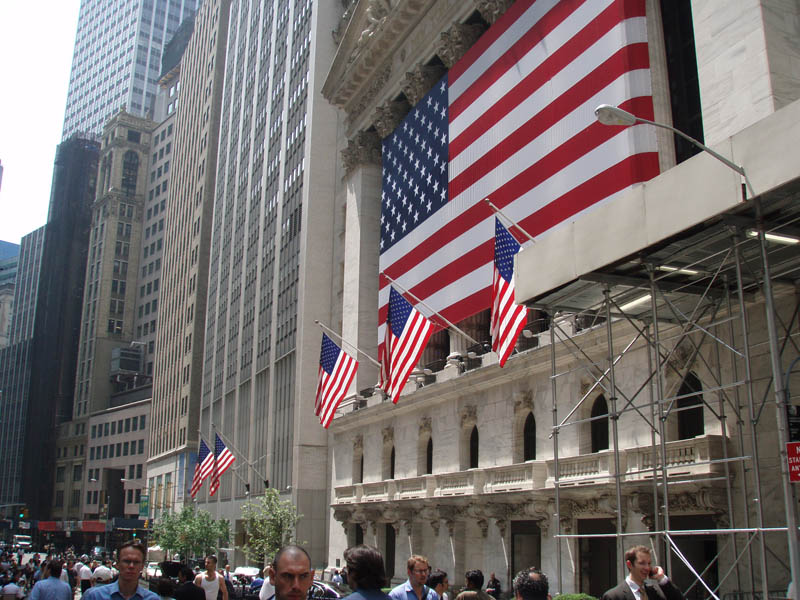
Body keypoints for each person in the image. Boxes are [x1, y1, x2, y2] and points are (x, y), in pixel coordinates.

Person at [82, 541, 158, 600]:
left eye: (136, 562)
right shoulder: (94, 596)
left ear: (142, 566)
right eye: (127, 561)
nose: (131, 566)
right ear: (117, 564)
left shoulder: (152, 598)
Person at [601, 546, 684, 600]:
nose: (647, 568)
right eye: (642, 563)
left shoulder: (655, 592)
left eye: (649, 563)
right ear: (629, 564)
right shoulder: (613, 596)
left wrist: (662, 579)